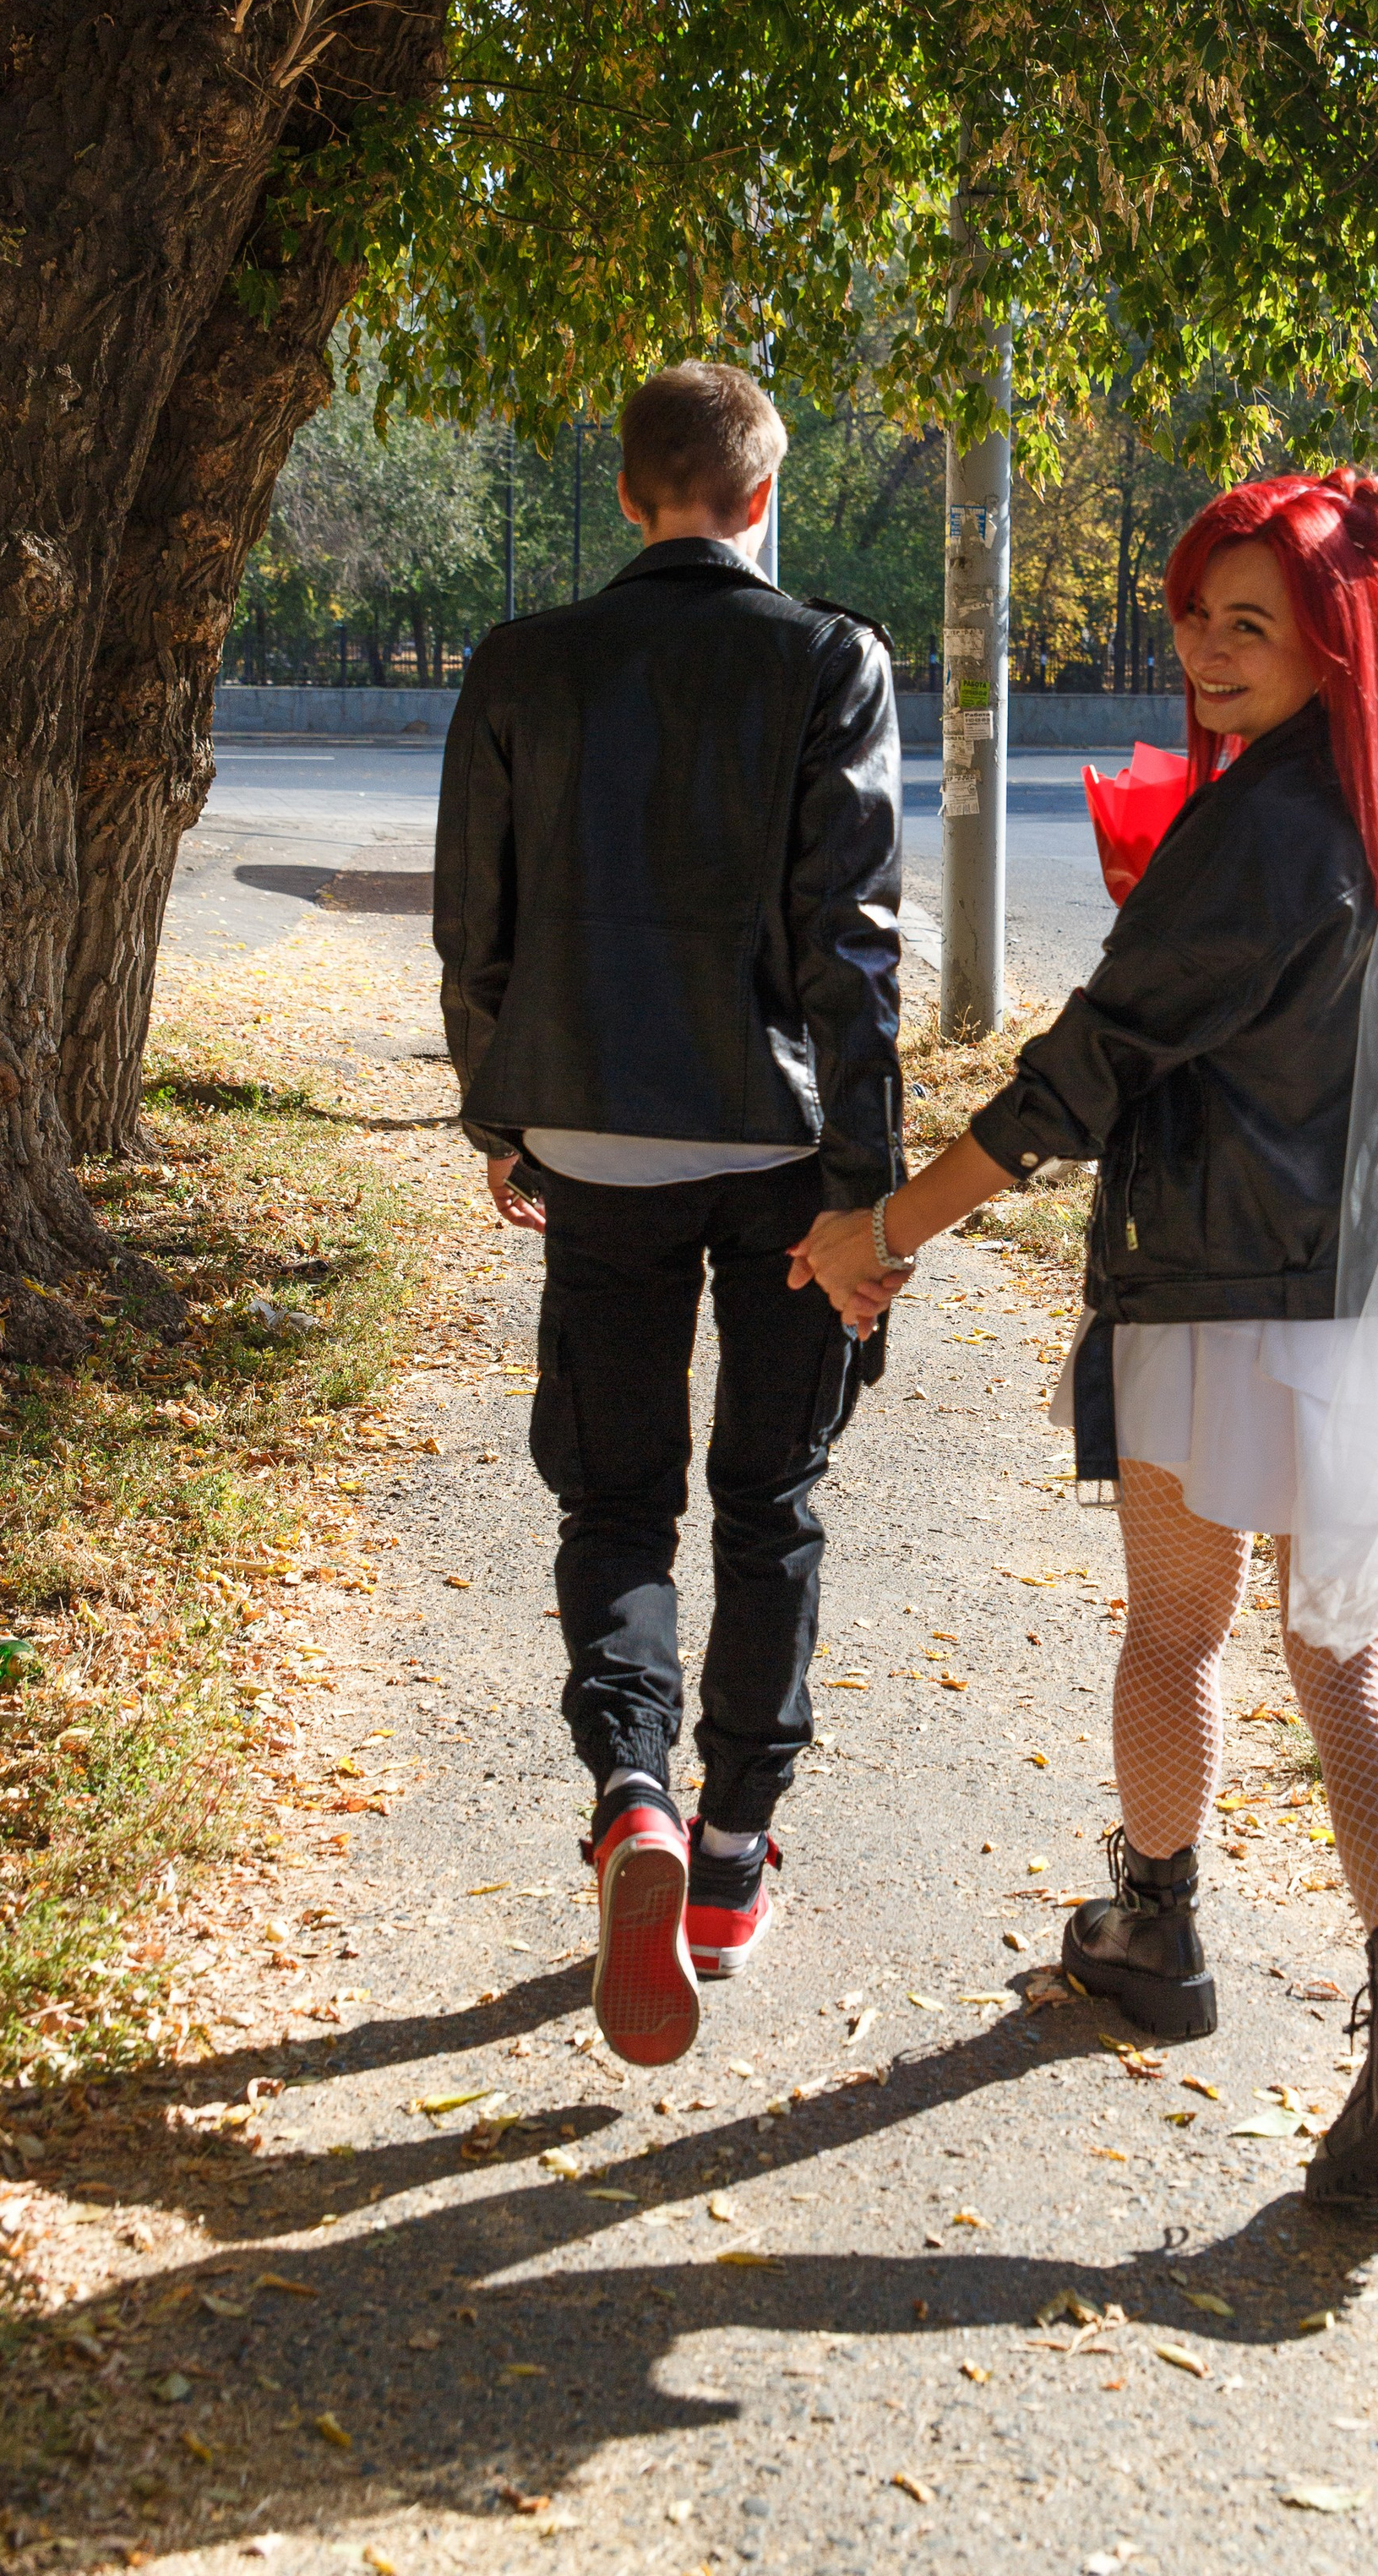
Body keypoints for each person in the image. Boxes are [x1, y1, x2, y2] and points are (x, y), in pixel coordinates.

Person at [792, 460, 1378, 2207]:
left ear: (1333, 635)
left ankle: (1156, 1932)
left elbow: (1087, 1072)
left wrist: (885, 1230)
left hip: (1215, 1303)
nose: (1203, 657)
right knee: (1347, 1658)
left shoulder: (1271, 826)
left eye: (1247, 625)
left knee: (1177, 1627)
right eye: (1192, 620)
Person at [435, 361, 903, 2069]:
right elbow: (852, 939)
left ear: (629, 495)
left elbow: (467, 917)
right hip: (777, 1151)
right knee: (768, 1490)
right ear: (759, 495)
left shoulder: (518, 664)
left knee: (614, 1492)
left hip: (591, 1140)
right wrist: (869, 1190)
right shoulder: (827, 657)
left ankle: (626, 1787)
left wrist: (503, 1114)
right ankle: (723, 1862)